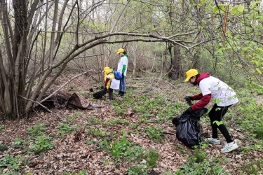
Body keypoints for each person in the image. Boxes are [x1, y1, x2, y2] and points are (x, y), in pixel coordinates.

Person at [184, 69, 239, 153]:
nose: (189, 82)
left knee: (217, 120)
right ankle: (214, 138)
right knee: (211, 115)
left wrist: (192, 108)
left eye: (189, 80)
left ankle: (230, 143)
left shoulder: (203, 82)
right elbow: (205, 93)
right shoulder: (203, 80)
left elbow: (206, 99)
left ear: (194, 77)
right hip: (223, 97)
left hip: (226, 99)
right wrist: (192, 97)